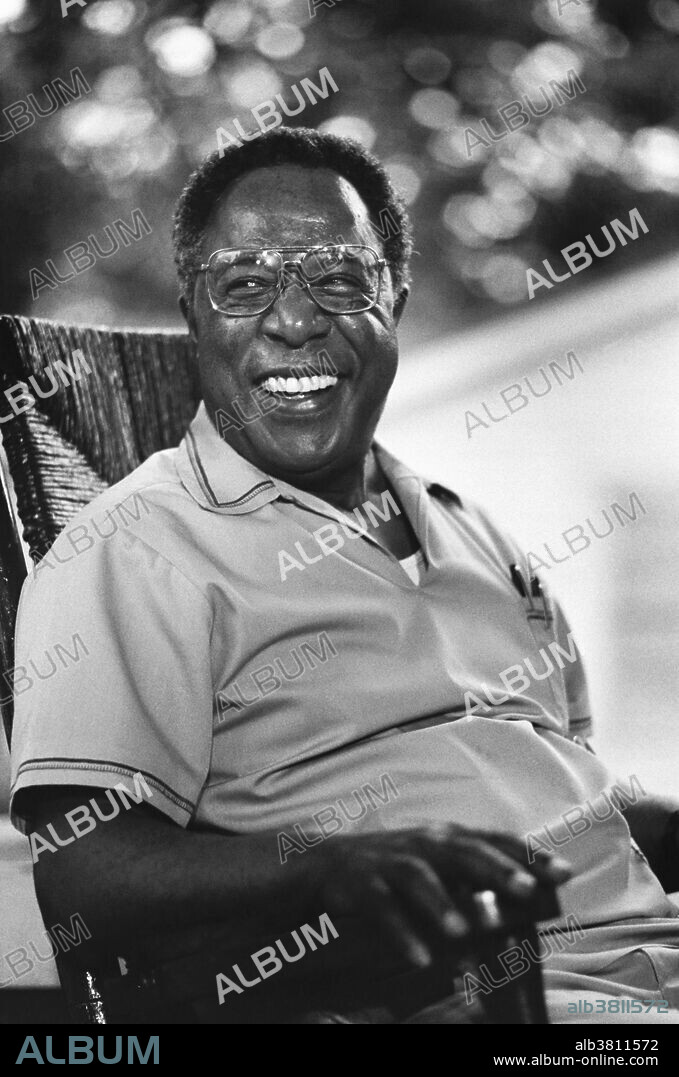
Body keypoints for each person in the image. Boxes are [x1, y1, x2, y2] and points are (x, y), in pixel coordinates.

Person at [8, 127, 679, 1024]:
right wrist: (326, 865)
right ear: (194, 312)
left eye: (337, 278)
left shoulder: (472, 528)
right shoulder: (134, 547)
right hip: (503, 997)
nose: (293, 319)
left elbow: (562, 776)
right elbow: (84, 872)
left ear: (392, 302)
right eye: (244, 285)